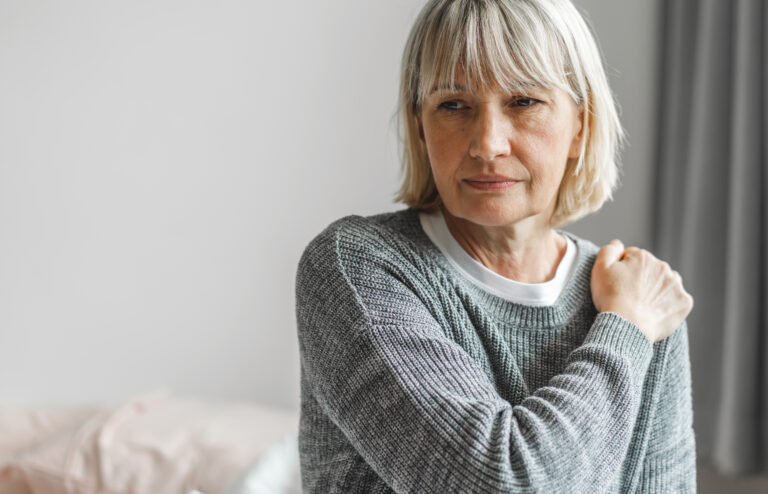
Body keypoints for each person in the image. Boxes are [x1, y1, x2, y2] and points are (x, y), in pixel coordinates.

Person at [295, 0, 696, 492]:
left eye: (524, 101)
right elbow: (500, 483)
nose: (488, 143)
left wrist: (630, 318)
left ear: (581, 125)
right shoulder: (352, 266)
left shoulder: (638, 294)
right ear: (421, 126)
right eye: (453, 105)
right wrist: (626, 330)